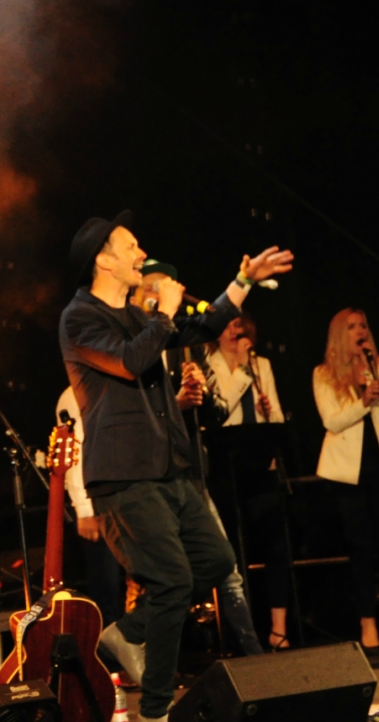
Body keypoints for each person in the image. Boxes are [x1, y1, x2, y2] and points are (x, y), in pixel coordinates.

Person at [59, 211, 292, 722]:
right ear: (103, 260)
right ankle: (156, 710)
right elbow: (129, 362)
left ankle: (127, 633)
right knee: (170, 582)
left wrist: (242, 281)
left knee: (215, 562)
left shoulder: (137, 315)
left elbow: (203, 326)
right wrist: (163, 313)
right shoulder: (79, 319)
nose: (142, 255)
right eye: (131, 246)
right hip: (124, 476)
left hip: (169, 469)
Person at [130, 261, 263, 657]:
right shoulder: (130, 346)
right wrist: (176, 402)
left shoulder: (184, 345)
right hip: (148, 478)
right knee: (162, 577)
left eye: (167, 286)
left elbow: (217, 414)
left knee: (226, 567)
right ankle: (145, 652)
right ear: (138, 297)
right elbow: (133, 418)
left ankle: (254, 657)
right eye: (155, 288)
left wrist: (200, 395)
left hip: (189, 471)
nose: (163, 294)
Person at [313, 308, 379, 653]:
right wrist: (363, 402)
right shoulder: (324, 374)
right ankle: (367, 620)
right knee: (361, 548)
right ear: (340, 334)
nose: (360, 331)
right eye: (352, 327)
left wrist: (376, 376)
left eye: (363, 326)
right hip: (349, 473)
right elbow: (332, 420)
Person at [207, 314, 292, 650]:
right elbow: (219, 412)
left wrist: (268, 410)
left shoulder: (261, 365)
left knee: (276, 546)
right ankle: (240, 633)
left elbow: (277, 417)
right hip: (225, 469)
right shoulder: (208, 365)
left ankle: (279, 629)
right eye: (228, 325)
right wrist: (241, 371)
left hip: (261, 466)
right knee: (232, 550)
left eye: (239, 325)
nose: (235, 330)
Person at [55, 386, 124, 628]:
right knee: (107, 588)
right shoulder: (74, 395)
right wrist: (84, 509)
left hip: (128, 496)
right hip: (99, 504)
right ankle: (108, 647)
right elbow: (73, 453)